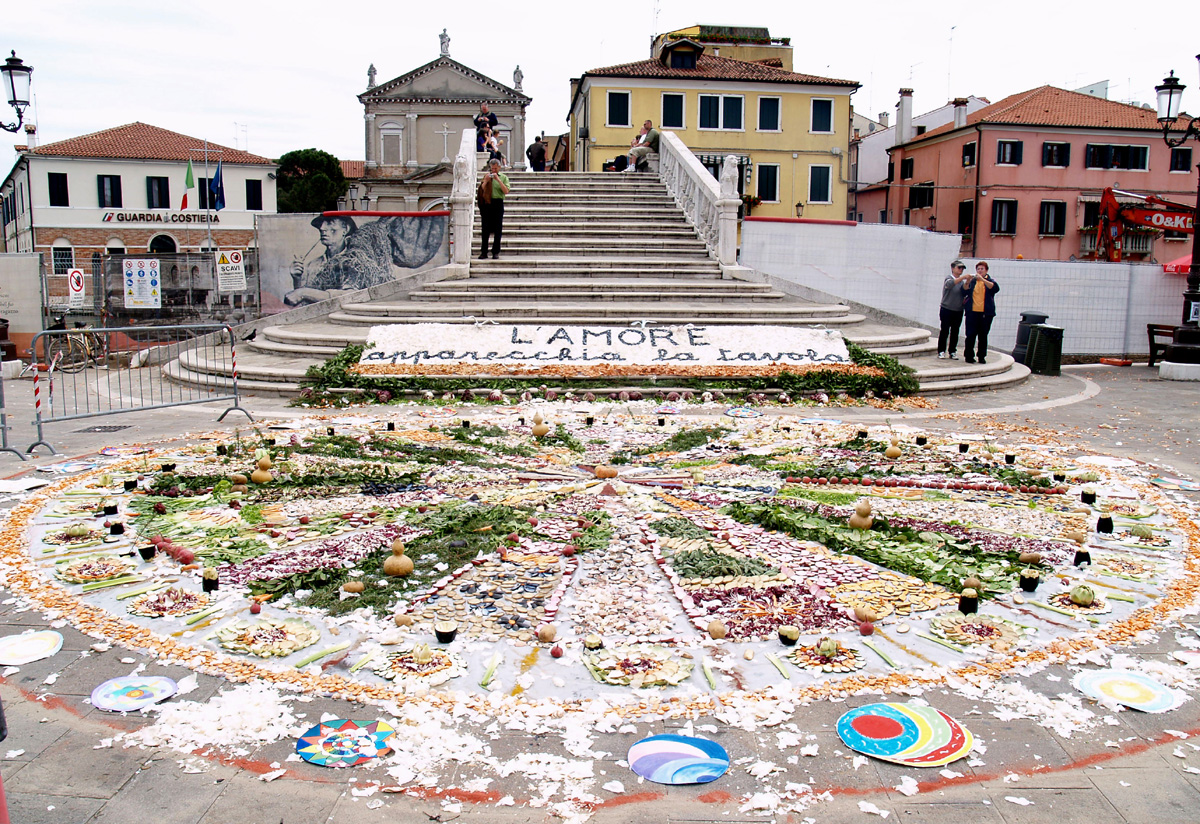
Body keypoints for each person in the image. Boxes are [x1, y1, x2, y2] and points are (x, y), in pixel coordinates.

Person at [961, 261, 999, 364]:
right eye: (978, 269)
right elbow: (964, 291)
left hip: (985, 313)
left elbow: (995, 288)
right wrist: (968, 281)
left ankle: (981, 356)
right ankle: (969, 355)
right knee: (970, 335)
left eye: (982, 269)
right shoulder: (973, 281)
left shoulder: (989, 281)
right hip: (972, 312)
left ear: (986, 270)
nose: (980, 271)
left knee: (983, 336)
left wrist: (982, 279)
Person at [937, 259, 970, 359]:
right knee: (944, 331)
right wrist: (962, 278)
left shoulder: (961, 282)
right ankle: (941, 350)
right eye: (959, 268)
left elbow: (964, 291)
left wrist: (967, 281)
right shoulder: (949, 278)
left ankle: (952, 351)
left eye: (962, 268)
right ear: (953, 268)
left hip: (958, 310)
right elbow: (950, 284)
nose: (961, 270)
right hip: (947, 309)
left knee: (955, 332)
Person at [479, 158, 510, 260]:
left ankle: (495, 251)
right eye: (492, 169)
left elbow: (506, 191)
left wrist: (498, 179)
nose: (494, 171)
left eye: (495, 169)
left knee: (498, 228)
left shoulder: (504, 177)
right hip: (488, 203)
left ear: (499, 168)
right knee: (485, 228)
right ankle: (484, 252)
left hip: (498, 203)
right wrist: (486, 181)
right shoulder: (486, 176)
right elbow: (481, 190)